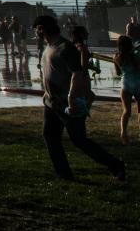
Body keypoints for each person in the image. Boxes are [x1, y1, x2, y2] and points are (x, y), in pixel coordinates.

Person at [33, 14, 125, 182]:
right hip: (52, 103)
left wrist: (71, 97)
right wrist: (47, 94)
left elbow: (78, 74)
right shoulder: (49, 47)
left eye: (37, 29)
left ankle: (115, 164)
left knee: (79, 140)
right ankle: (64, 174)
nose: (36, 33)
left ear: (42, 29)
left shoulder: (64, 47)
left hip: (68, 103)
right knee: (50, 136)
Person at [114, 36, 140, 144]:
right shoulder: (133, 56)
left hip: (125, 84)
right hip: (138, 83)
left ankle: (123, 133)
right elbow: (138, 68)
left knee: (126, 111)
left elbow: (118, 73)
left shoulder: (116, 56)